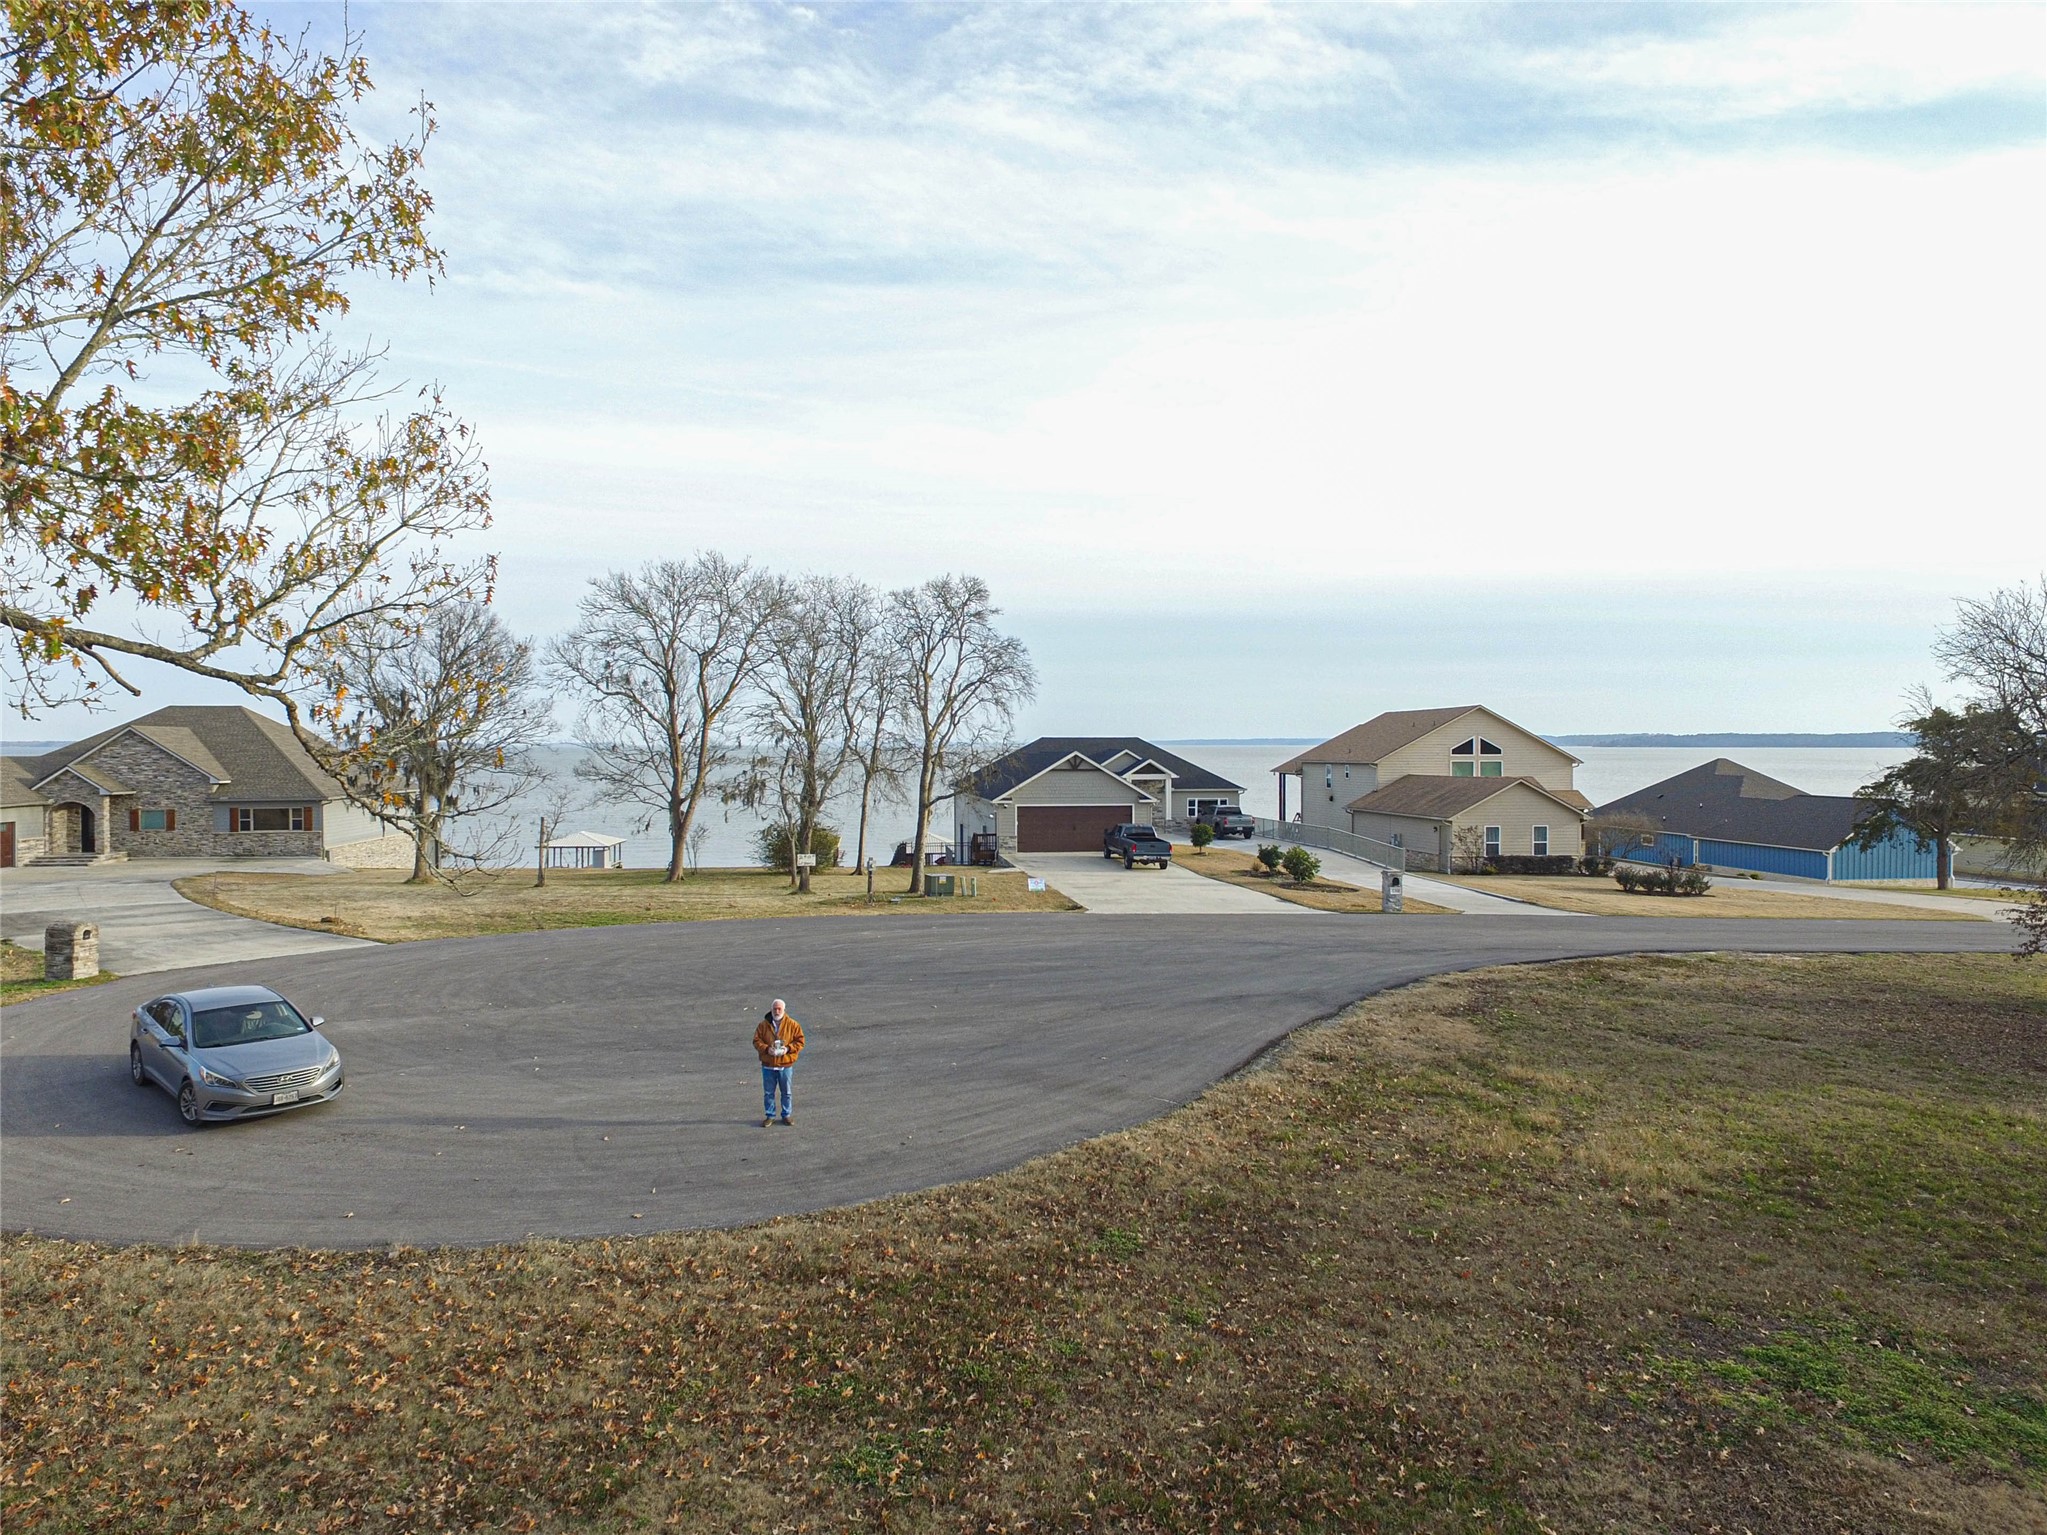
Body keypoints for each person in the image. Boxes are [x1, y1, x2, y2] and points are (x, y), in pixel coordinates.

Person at [753, 998, 804, 1126]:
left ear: (784, 1010)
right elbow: (756, 1041)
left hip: (785, 1065)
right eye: (775, 1009)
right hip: (768, 1065)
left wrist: (788, 1049)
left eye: (779, 1009)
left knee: (786, 1092)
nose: (777, 1011)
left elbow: (800, 1041)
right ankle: (770, 1115)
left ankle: (786, 1115)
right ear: (771, 1010)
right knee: (768, 1093)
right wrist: (766, 1049)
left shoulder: (793, 1025)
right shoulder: (763, 1025)